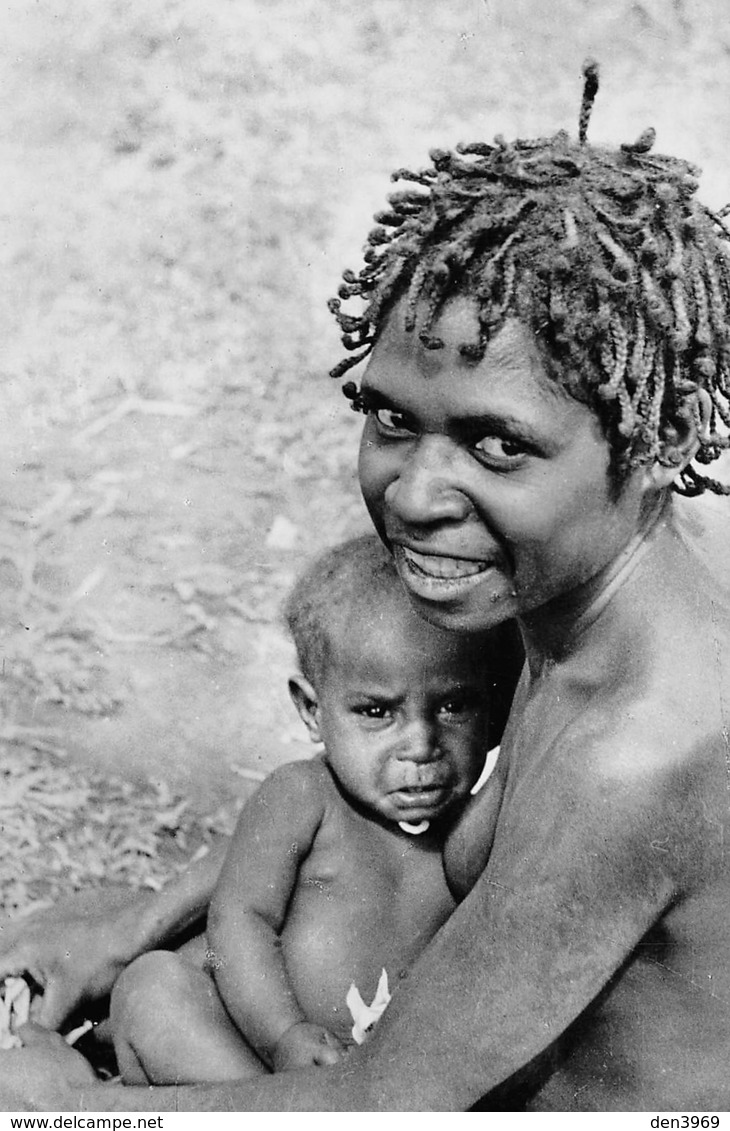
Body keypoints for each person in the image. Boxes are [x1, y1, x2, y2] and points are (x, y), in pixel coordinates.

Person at [2, 61, 730, 1110]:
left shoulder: (635, 755)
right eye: (393, 418)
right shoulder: (587, 589)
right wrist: (134, 923)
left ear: (653, 441)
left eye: (495, 443)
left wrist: (53, 1109)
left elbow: (382, 1109)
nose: (415, 493)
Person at [107, 534, 513, 1084]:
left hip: (388, 1084)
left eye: (453, 705)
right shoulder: (303, 797)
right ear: (311, 711)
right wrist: (283, 1037)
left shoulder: (480, 823)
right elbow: (240, 920)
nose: (421, 745)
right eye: (377, 712)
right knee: (151, 989)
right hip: (260, 1057)